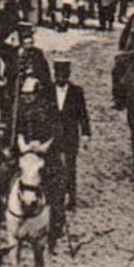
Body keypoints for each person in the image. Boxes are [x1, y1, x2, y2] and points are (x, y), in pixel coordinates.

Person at [50, 61, 90, 214]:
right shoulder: (47, 90)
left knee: (70, 166)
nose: (60, 78)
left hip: (70, 135)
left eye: (64, 75)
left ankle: (71, 198)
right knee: (53, 165)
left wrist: (86, 133)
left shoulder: (76, 91)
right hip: (52, 135)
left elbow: (83, 114)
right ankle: (54, 196)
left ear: (68, 75)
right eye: (58, 74)